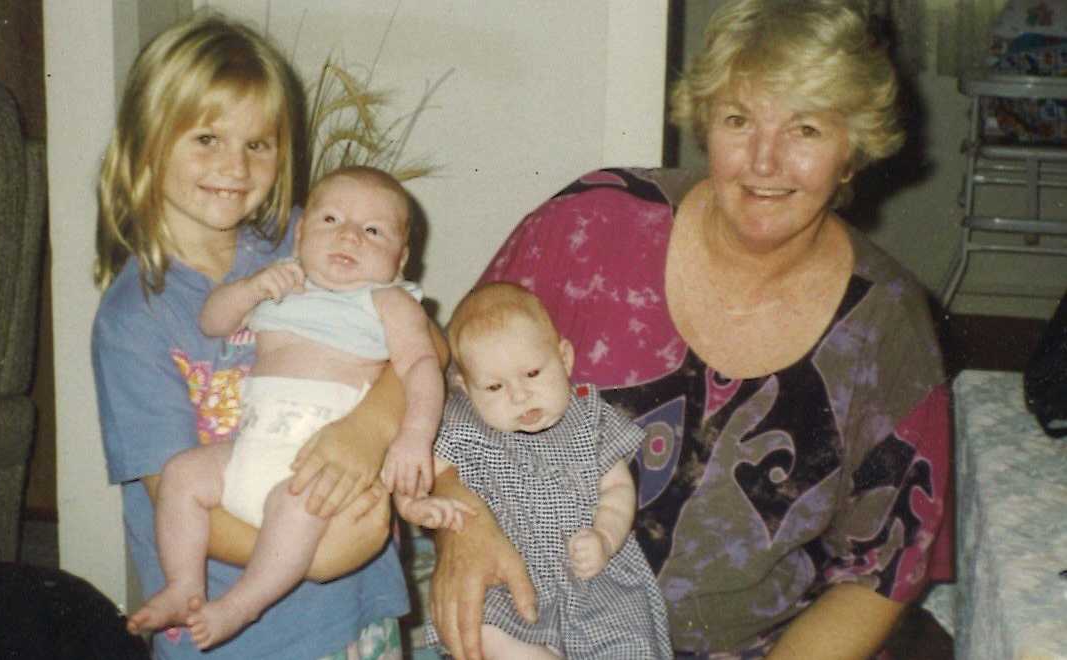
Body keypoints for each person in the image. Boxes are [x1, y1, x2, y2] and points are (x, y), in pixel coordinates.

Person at [428, 1, 952, 658]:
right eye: (739, 120)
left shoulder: (888, 326)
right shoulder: (589, 226)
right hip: (535, 631)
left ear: (854, 150)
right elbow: (442, 387)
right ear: (705, 124)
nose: (764, 162)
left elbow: (881, 572)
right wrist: (464, 529)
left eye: (806, 130)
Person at [91, 14, 412, 659]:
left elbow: (421, 343)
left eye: (257, 145)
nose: (233, 166)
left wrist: (369, 429)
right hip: (233, 634)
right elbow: (180, 500)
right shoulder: (133, 321)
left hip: (351, 613)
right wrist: (317, 557)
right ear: (147, 143)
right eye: (206, 138)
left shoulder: (312, 237)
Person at [127, 166, 443, 649]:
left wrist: (414, 434)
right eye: (331, 219)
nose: (349, 236)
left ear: (400, 260)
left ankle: (242, 603)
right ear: (300, 233)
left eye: (373, 231)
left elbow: (423, 364)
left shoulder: (386, 301)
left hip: (314, 461)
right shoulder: (283, 285)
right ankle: (184, 584)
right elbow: (213, 321)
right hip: (250, 447)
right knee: (182, 475)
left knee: (294, 512)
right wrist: (253, 288)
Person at [397, 282, 672, 659]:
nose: (518, 395)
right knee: (484, 631)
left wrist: (605, 537)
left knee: (627, 643)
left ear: (564, 358)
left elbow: (618, 489)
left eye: (532, 373)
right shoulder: (463, 426)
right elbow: (418, 470)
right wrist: (414, 505)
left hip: (592, 576)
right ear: (465, 389)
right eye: (493, 386)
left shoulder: (591, 421)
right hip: (509, 579)